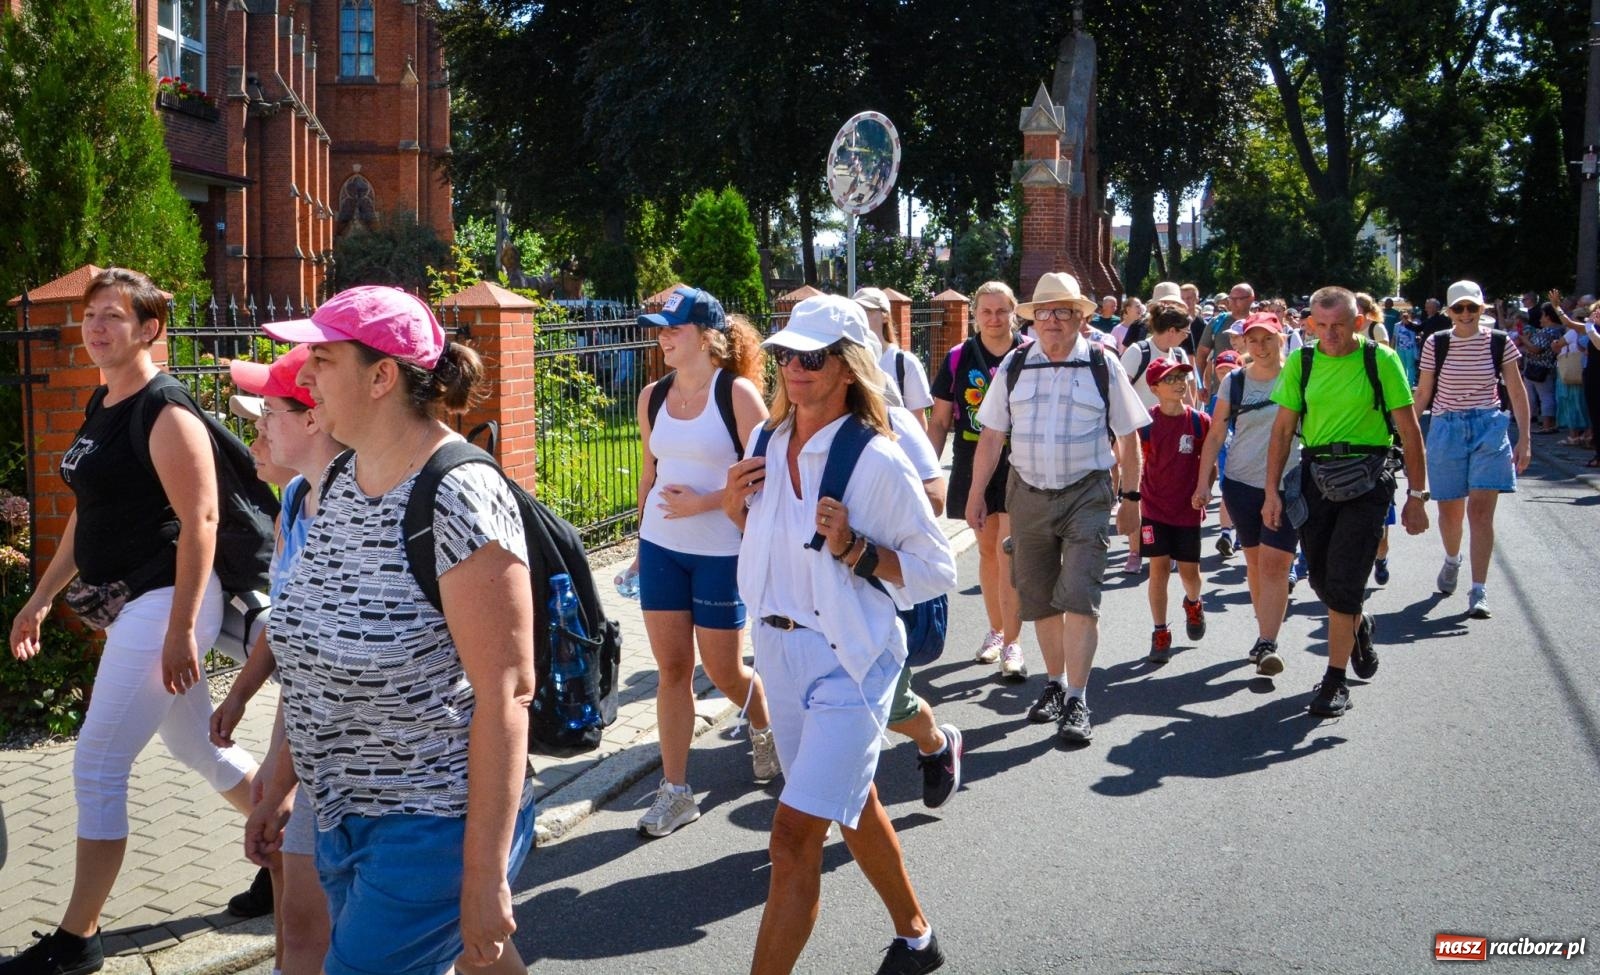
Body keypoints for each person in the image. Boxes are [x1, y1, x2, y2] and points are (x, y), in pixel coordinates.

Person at [258, 286, 536, 975]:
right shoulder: (344, 477)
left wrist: (482, 874)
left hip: (433, 824)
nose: (305, 373)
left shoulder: (458, 494)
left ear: (382, 376)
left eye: (323, 359)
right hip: (342, 817)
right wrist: (279, 777)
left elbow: (507, 693)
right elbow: (310, 642)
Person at [4, 268, 260, 975]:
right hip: (138, 605)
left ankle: (76, 938)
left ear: (149, 329)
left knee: (96, 760)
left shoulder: (164, 407)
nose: (96, 327)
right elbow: (87, 514)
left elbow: (201, 517)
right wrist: (41, 596)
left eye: (113, 316)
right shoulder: (104, 402)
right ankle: (291, 844)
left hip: (168, 602)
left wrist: (182, 629)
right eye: (91, 315)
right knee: (199, 752)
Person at [720, 294, 957, 975]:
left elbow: (936, 568)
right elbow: (769, 548)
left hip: (846, 661)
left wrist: (855, 548)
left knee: (793, 835)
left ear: (848, 367)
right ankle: (918, 937)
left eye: (811, 356)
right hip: (777, 655)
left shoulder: (876, 459)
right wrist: (737, 509)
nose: (794, 367)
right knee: (852, 806)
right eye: (786, 354)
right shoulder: (766, 440)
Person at [966, 272, 1149, 745]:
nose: (1051, 320)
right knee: (1041, 598)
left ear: (1081, 317)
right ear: (1033, 319)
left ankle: (1078, 699)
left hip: (1086, 493)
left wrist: (1131, 499)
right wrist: (974, 494)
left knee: (1080, 597)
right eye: (1044, 311)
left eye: (1062, 311)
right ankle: (1053, 684)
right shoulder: (1016, 363)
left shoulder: (1102, 365)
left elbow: (1128, 436)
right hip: (1025, 493)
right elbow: (990, 436)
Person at [209, 345, 338, 974]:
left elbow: (330, 663)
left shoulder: (353, 509)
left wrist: (283, 777)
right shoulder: (293, 502)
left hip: (360, 752)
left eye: (266, 416)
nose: (255, 431)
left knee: (329, 926)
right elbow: (289, 627)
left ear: (313, 419)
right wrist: (239, 695)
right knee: (296, 917)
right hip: (306, 724)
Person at [630, 287, 777, 838]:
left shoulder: (736, 394)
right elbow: (651, 471)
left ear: (707, 335)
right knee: (672, 671)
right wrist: (639, 539)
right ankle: (676, 791)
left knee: (723, 671)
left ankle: (763, 726)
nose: (663, 337)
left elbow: (767, 477)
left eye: (674, 328)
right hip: (662, 549)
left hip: (721, 551)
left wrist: (706, 502)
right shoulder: (652, 396)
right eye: (660, 328)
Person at [1263, 286, 1430, 718]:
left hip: (1369, 479)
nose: (1331, 334)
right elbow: (1282, 432)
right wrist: (1270, 493)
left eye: (1340, 325)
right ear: (1310, 325)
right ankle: (1359, 627)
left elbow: (1409, 431)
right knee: (1320, 580)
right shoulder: (1303, 361)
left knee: (1344, 581)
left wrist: (1417, 495)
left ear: (1358, 322)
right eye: (1322, 326)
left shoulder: (1380, 359)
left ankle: (1335, 680)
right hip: (1316, 478)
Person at [1414, 281, 1532, 620]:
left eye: (1472, 308)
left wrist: (1525, 438)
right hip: (1446, 427)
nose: (1466, 314)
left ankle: (1478, 589)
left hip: (1488, 428)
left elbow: (1517, 391)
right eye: (1459, 308)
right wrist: (1405, 435)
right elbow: (1423, 394)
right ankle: (1452, 560)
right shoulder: (1437, 343)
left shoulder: (1499, 342)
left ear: (1482, 310)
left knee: (1480, 512)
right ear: (1450, 312)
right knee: (1450, 511)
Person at [927, 282, 1027, 679]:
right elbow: (938, 421)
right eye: (986, 311)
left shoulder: (1029, 354)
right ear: (974, 315)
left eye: (1002, 310)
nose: (994, 318)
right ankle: (997, 631)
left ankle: (1014, 644)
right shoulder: (958, 357)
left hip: (1021, 459)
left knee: (1009, 552)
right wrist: (925, 472)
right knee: (987, 551)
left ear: (1014, 311)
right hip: (972, 457)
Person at [1193, 313, 1300, 675]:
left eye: (1267, 339)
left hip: (1289, 483)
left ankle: (1268, 641)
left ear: (1281, 339)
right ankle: (1263, 633)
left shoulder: (1299, 375)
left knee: (1277, 563)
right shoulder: (1235, 382)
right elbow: (1217, 435)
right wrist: (1203, 483)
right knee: (1254, 563)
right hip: (1240, 483)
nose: (1261, 346)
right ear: (1243, 343)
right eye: (1253, 340)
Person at [1137, 359, 1210, 661]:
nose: (1179, 383)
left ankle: (1193, 603)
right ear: (1154, 389)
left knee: (1190, 573)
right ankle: (1160, 631)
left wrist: (1203, 488)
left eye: (1182, 377)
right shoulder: (1145, 423)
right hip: (1153, 507)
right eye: (1170, 379)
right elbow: (1135, 459)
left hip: (1187, 509)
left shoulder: (1198, 422)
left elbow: (1208, 463)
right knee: (1159, 569)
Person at [1120, 297, 1195, 574]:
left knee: (1171, 491)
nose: (1187, 337)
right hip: (1142, 433)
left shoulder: (1179, 356)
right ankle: (1136, 550)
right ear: (1172, 330)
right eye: (1185, 332)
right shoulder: (1138, 352)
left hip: (1174, 433)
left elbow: (1187, 394)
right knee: (1138, 490)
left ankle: (1167, 548)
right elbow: (1119, 390)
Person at [855, 287, 934, 432]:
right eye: (856, 311)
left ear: (885, 316)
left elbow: (918, 421)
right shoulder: (846, 362)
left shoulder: (905, 363)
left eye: (867, 311)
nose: (860, 317)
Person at [1196, 282, 1254, 388]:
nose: (1233, 302)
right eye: (1231, 298)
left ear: (1251, 299)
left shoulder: (1259, 323)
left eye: (1239, 299)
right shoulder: (1217, 322)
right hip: (1219, 390)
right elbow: (1201, 355)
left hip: (1252, 389)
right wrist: (1200, 386)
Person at [1517, 304, 1562, 435]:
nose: (1540, 319)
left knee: (1545, 396)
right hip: (1540, 368)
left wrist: (1525, 340)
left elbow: (1536, 349)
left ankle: (1548, 425)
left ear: (1548, 316)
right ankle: (1548, 424)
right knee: (1543, 396)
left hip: (1541, 369)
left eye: (1542, 315)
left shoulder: (1549, 331)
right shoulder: (1556, 330)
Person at [1394, 310, 1421, 387]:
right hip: (1400, 348)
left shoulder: (1414, 324)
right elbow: (1394, 337)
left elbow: (1419, 333)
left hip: (1410, 349)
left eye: (1406, 316)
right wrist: (1392, 348)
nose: (1404, 318)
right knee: (1402, 366)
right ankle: (1403, 382)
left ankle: (1410, 383)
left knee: (1410, 366)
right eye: (1403, 316)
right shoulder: (1397, 325)